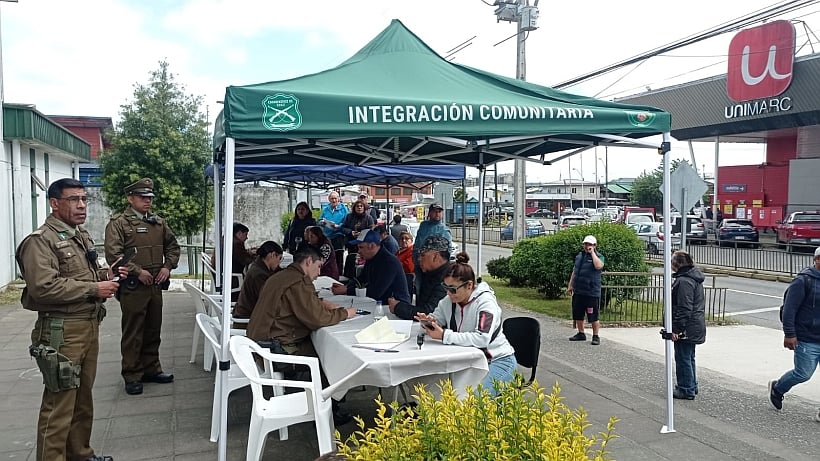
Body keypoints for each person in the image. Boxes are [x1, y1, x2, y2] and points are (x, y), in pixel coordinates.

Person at [16, 178, 122, 461]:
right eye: (74, 199)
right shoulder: (40, 241)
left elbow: (83, 274)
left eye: (84, 199)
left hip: (87, 325)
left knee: (82, 399)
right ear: (54, 203)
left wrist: (107, 276)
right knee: (59, 405)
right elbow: (43, 287)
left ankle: (80, 454)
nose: (82, 205)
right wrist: (94, 289)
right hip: (62, 331)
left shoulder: (79, 235)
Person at [246, 245, 356, 424]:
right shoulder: (298, 282)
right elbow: (317, 319)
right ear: (308, 261)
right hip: (274, 349)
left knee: (324, 347)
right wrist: (345, 313)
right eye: (318, 266)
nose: (319, 273)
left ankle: (328, 401)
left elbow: (301, 304)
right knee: (331, 356)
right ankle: (326, 412)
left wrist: (320, 302)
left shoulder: (281, 276)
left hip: (259, 343)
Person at [104, 177, 181, 396]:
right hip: (133, 287)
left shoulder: (158, 223)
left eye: (150, 198)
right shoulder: (119, 223)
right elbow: (114, 255)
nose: (148, 201)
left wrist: (167, 267)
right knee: (133, 332)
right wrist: (138, 272)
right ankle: (132, 375)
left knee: (153, 329)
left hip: (155, 285)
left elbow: (173, 247)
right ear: (130, 198)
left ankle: (151, 369)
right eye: (142, 197)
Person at [415, 252, 517, 397]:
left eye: (453, 289)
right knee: (440, 393)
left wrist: (444, 335)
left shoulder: (486, 304)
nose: (448, 293)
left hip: (497, 360)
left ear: (469, 285)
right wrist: (429, 322)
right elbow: (438, 318)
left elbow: (482, 338)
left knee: (474, 401)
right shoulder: (448, 301)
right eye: (445, 287)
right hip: (469, 360)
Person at [768, 247, 820, 418]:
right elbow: (789, 309)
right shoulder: (803, 280)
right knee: (803, 373)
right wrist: (789, 334)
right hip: (807, 337)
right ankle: (778, 388)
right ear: (816, 260)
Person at [331, 229, 410, 304]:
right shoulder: (372, 258)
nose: (359, 251)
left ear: (371, 246)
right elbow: (361, 279)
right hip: (379, 303)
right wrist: (346, 287)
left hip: (395, 306)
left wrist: (347, 290)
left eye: (361, 247)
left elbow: (376, 292)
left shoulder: (389, 262)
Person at [669, 250, 706, 400]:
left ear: (677, 264)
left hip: (687, 326)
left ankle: (686, 388)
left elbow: (684, 307)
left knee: (683, 357)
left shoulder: (684, 281)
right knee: (689, 356)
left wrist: (676, 329)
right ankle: (691, 385)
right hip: (694, 325)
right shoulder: (693, 278)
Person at [388, 235, 450, 320]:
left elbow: (429, 312)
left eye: (423, 255)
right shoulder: (427, 272)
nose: (419, 259)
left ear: (435, 256)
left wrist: (398, 307)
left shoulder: (449, 278)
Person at [567, 235, 605, 345]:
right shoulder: (579, 256)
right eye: (586, 244)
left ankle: (595, 336)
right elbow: (575, 271)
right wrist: (570, 285)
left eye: (590, 244)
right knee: (578, 313)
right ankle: (581, 333)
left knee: (593, 315)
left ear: (594, 245)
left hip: (591, 292)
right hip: (579, 290)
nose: (587, 246)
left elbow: (598, 266)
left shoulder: (599, 256)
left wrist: (592, 253)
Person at [232, 241, 284, 321]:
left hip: (245, 311)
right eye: (279, 258)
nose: (279, 263)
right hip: (247, 317)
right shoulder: (259, 275)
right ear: (272, 255)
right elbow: (267, 301)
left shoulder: (258, 266)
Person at [413, 203, 452, 291]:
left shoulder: (444, 229)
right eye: (435, 211)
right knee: (419, 289)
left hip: (434, 267)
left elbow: (448, 251)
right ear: (430, 213)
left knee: (432, 290)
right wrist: (415, 260)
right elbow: (417, 243)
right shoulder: (423, 225)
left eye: (439, 212)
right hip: (419, 265)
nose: (437, 214)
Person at [318, 191, 348, 275]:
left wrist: (338, 226)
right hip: (327, 236)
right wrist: (322, 222)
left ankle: (339, 274)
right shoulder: (325, 209)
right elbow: (319, 220)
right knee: (327, 256)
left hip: (338, 235)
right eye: (332, 198)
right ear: (329, 200)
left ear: (338, 199)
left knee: (338, 256)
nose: (334, 200)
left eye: (335, 198)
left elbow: (347, 222)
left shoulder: (344, 209)